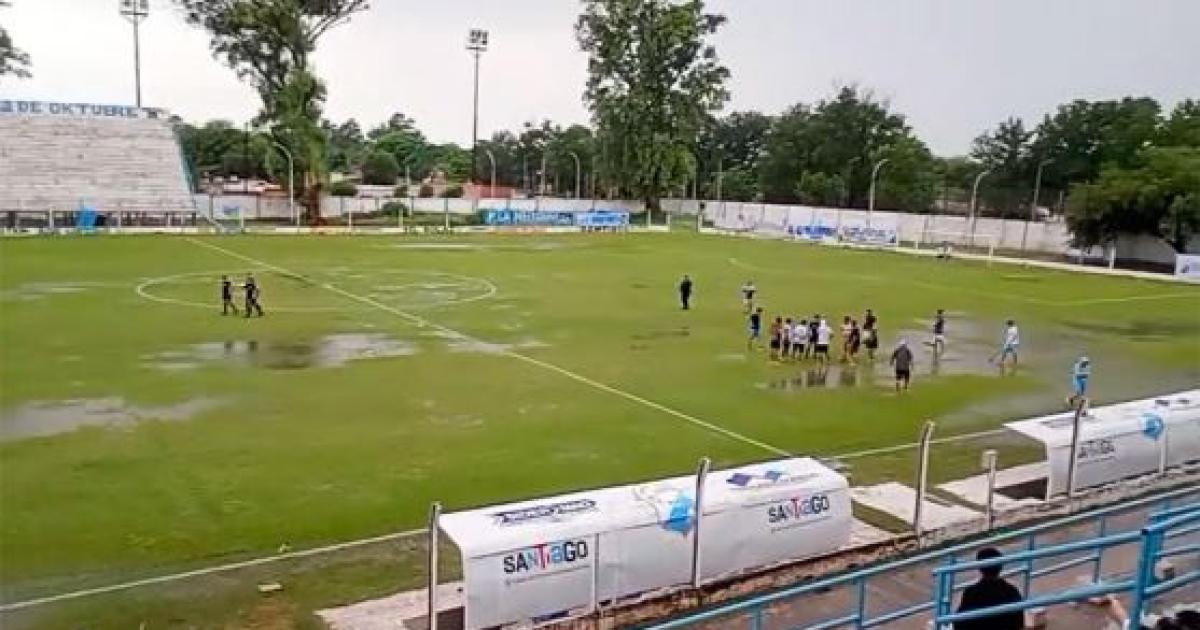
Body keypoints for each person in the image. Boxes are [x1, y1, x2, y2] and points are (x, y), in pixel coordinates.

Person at [954, 547, 1025, 630]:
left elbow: (959, 623)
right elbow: (1019, 623)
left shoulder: (971, 593)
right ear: (1001, 566)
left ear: (980, 568)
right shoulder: (1012, 591)